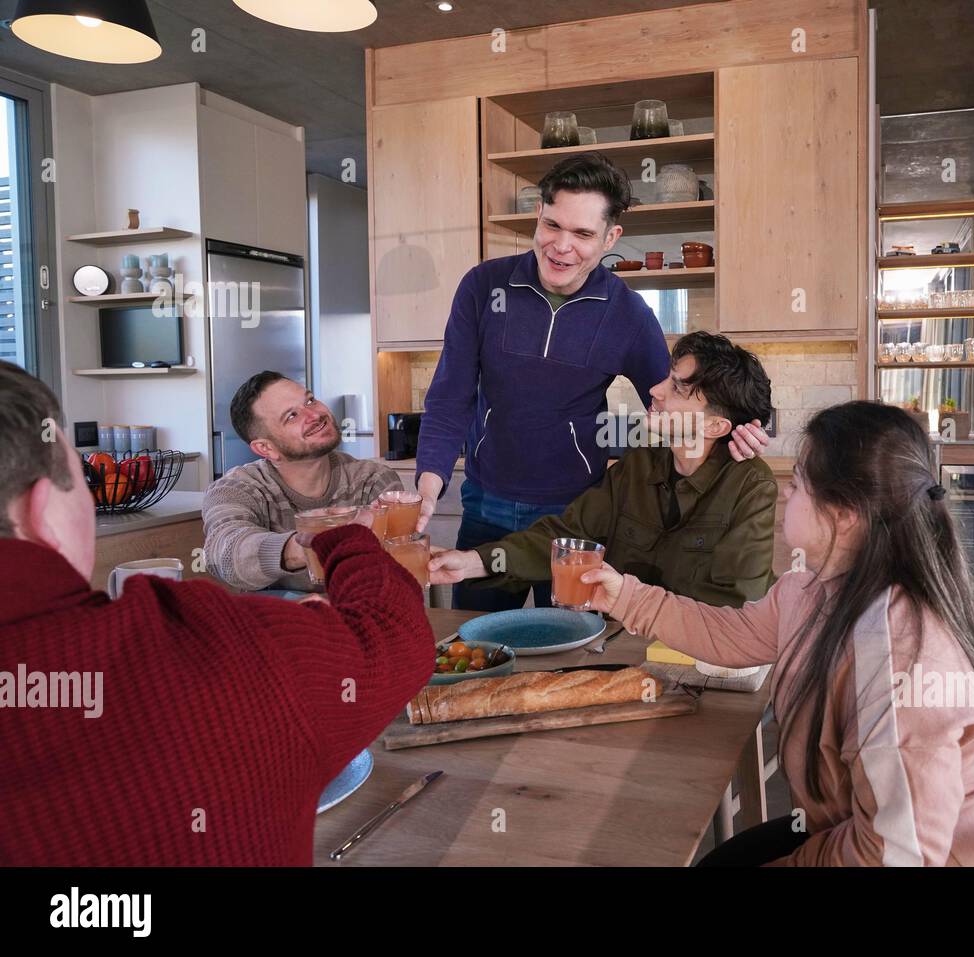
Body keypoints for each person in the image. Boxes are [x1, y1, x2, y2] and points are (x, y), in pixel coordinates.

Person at [0, 360, 435, 865]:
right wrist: (342, 540)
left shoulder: (371, 476)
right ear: (39, 510)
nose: (312, 415)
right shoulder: (224, 646)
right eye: (79, 480)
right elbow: (232, 553)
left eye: (309, 400)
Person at [579, 401, 974, 866]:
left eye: (799, 482)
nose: (784, 492)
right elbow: (729, 634)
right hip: (848, 827)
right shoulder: (809, 591)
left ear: (844, 515)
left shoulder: (901, 652)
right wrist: (625, 596)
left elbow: (895, 855)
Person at [414, 151, 768, 611]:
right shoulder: (484, 288)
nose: (561, 246)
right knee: (475, 643)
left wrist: (743, 426)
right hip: (485, 502)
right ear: (538, 214)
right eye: (552, 226)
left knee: (568, 648)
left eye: (582, 234)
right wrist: (428, 484)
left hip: (576, 516)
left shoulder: (627, 315)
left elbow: (672, 405)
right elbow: (450, 397)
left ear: (610, 237)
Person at [427, 332, 777, 608]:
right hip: (616, 651)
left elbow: (737, 608)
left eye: (677, 387)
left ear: (716, 427)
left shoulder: (750, 486)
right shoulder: (639, 464)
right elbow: (565, 536)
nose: (654, 390)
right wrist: (472, 562)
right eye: (667, 378)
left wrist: (630, 601)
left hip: (691, 666)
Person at [203, 371, 403, 591]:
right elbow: (225, 553)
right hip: (276, 623)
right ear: (266, 448)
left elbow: (401, 570)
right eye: (292, 416)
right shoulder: (236, 488)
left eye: (310, 400)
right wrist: (307, 546)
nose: (314, 415)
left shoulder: (373, 480)